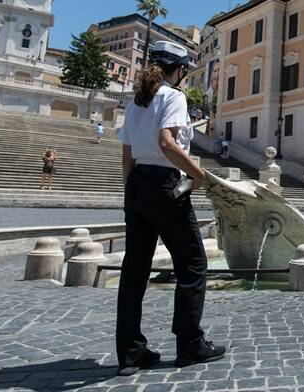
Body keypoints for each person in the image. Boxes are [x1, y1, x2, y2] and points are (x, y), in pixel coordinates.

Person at [115, 41, 225, 376]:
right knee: (192, 264)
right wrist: (198, 174)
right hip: (165, 186)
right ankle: (190, 344)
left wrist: (131, 194)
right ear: (180, 70)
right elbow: (167, 143)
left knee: (134, 271)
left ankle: (131, 353)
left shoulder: (138, 99)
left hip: (136, 186)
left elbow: (127, 154)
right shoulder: (173, 96)